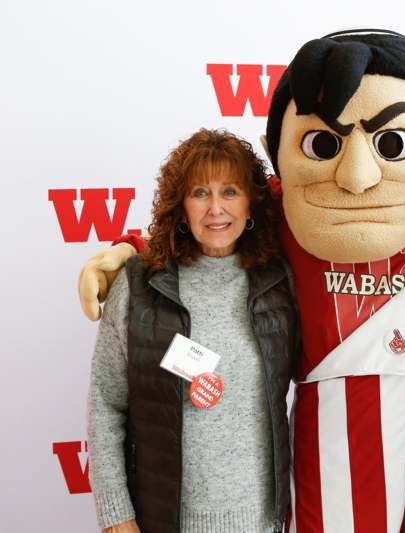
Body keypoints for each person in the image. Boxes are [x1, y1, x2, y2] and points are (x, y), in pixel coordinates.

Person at [80, 30, 405, 533]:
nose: (358, 175)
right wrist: (129, 248)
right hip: (325, 466)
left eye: (391, 143)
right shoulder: (289, 205)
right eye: (325, 144)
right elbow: (209, 223)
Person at [87, 128, 297, 533]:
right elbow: (105, 403)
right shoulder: (139, 286)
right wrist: (116, 515)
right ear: (181, 205)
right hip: (162, 521)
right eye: (200, 193)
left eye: (230, 191)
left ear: (251, 202)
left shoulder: (278, 282)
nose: (215, 208)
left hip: (261, 522)